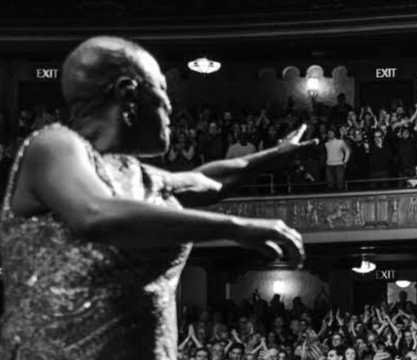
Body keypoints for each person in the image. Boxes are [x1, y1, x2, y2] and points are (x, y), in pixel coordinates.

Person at [0, 36, 315, 360]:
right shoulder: (52, 145)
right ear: (128, 92)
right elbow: (94, 214)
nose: (171, 107)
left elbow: (209, 180)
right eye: (163, 89)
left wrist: (275, 156)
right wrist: (234, 227)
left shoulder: (138, 176)